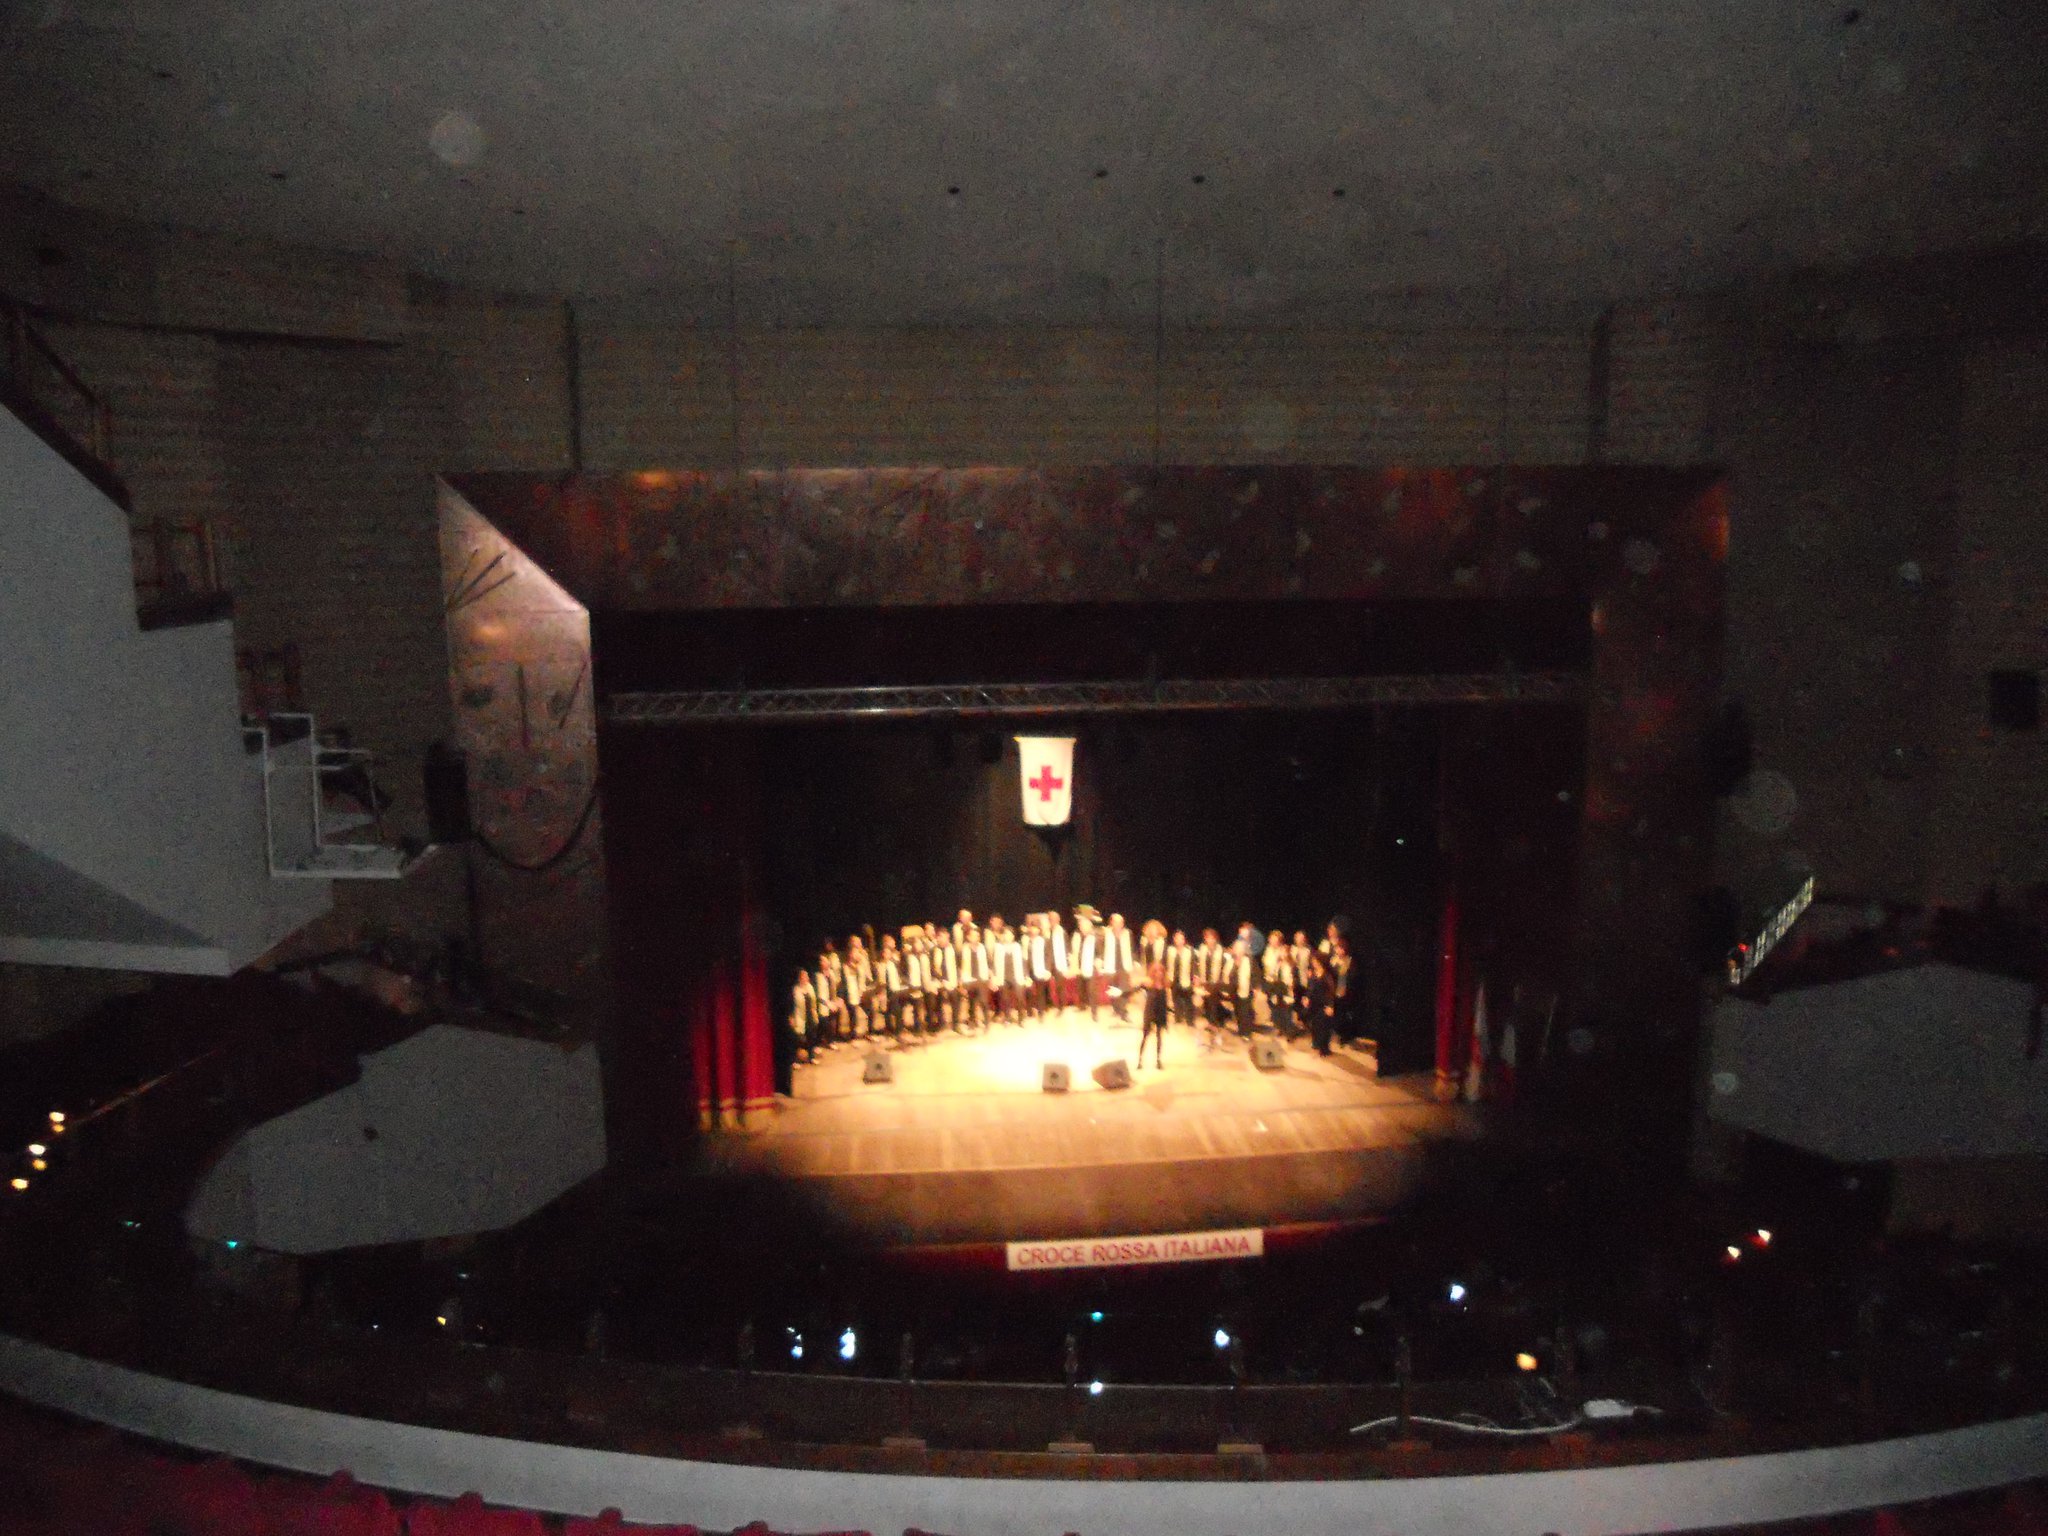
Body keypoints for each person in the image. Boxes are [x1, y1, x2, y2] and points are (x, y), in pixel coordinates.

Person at [1138, 920, 1169, 1068]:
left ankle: (1158, 1059)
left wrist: (1161, 977)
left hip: (1160, 981)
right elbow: (1143, 961)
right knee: (1146, 1029)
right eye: (1150, 929)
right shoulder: (1144, 943)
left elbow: (1164, 964)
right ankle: (1140, 1060)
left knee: (1159, 1029)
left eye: (1155, 929)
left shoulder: (1162, 944)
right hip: (1149, 980)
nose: (1152, 931)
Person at [1195, 927, 1229, 1049]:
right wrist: (1198, 979)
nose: (1210, 940)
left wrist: (1223, 984)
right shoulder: (1202, 950)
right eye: (1207, 938)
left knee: (1214, 1006)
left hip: (1216, 983)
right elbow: (1197, 965)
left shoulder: (1221, 951)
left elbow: (1225, 968)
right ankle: (1210, 1027)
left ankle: (1216, 1031)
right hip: (1205, 982)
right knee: (1207, 1006)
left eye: (1212, 938)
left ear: (1215, 939)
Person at [1263, 929, 1297, 1039]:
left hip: (1285, 986)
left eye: (1276, 940)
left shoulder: (1287, 957)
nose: (1273, 942)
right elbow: (1268, 966)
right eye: (1271, 939)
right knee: (1275, 1007)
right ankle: (1280, 1027)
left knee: (1286, 1010)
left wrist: (1284, 958)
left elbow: (1292, 973)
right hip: (1273, 983)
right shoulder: (1268, 950)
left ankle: (1289, 1032)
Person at [1103, 913, 1136, 1021]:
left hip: (1124, 965)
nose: (1118, 924)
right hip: (1110, 965)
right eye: (1115, 922)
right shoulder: (1106, 933)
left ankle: (1124, 1012)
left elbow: (1132, 948)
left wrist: (1134, 961)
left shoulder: (1128, 933)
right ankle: (1116, 1009)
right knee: (1113, 988)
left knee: (1124, 989)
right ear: (1111, 923)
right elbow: (1101, 947)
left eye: (1120, 922)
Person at [1305, 952, 1338, 1057]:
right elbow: (1310, 987)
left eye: (1315, 961)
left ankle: (1324, 1049)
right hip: (1314, 1003)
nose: (1313, 963)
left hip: (1324, 1004)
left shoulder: (1327, 975)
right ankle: (1316, 1043)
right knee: (1315, 1025)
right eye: (1313, 961)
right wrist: (1307, 997)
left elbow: (1331, 992)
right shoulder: (1313, 973)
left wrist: (1330, 1006)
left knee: (1324, 1027)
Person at [1166, 928, 1196, 1026]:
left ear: (1184, 940)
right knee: (1176, 1000)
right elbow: (1166, 963)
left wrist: (1193, 979)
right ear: (1174, 939)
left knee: (1188, 1001)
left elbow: (1193, 965)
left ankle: (1190, 1020)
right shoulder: (1170, 950)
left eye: (1181, 938)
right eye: (1177, 938)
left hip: (1186, 979)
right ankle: (1178, 1018)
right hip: (1173, 979)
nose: (1179, 941)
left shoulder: (1189, 951)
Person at [790, 969, 820, 1064]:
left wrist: (815, 1013)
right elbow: (791, 1005)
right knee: (798, 1039)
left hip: (810, 1016)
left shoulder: (810, 987)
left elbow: (814, 1002)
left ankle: (811, 1057)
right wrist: (791, 1017)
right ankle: (794, 1061)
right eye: (804, 976)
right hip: (799, 1017)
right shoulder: (795, 990)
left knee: (811, 1036)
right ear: (800, 978)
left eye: (807, 976)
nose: (806, 978)